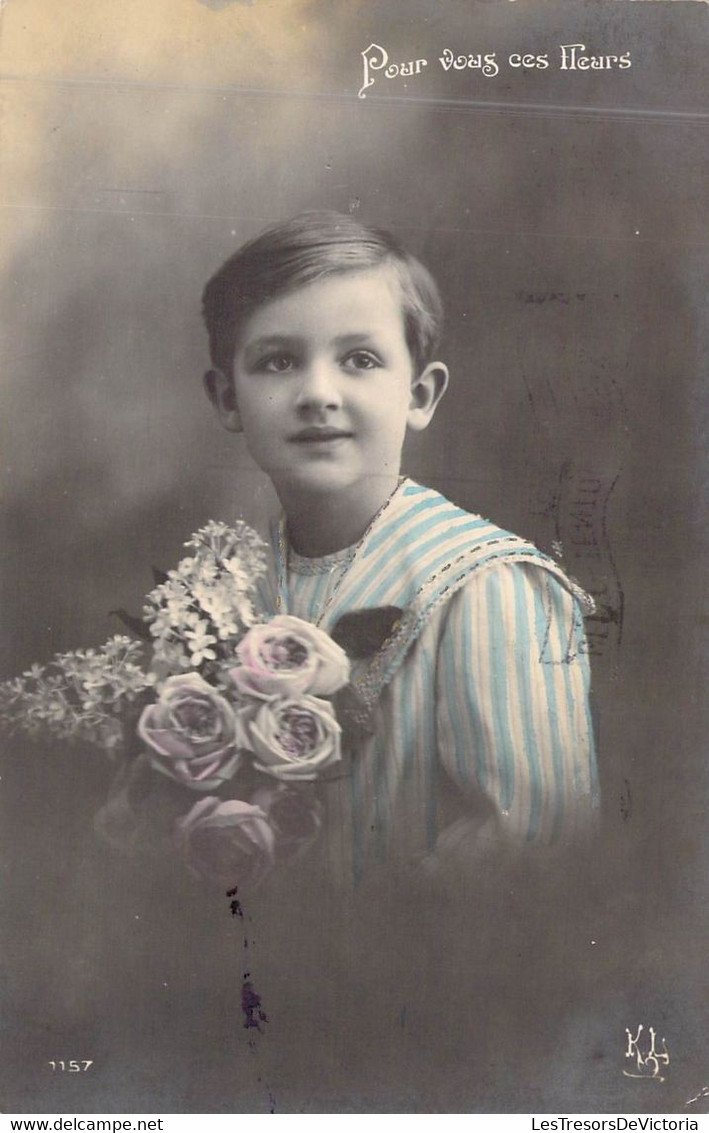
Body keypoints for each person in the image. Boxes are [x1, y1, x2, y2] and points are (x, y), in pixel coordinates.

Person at [201, 210, 599, 896]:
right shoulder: (224, 587)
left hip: (412, 980)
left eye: (359, 359)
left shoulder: (487, 587)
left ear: (419, 394)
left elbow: (534, 843)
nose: (318, 394)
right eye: (277, 361)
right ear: (227, 397)